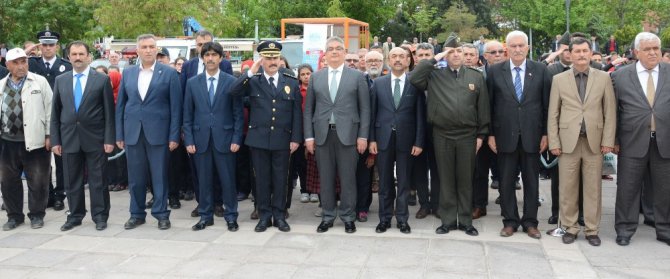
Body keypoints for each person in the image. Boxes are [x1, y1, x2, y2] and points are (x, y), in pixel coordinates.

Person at [411, 43, 490, 236]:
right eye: (451, 51)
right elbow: (414, 78)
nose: (456, 55)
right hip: (442, 133)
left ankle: (465, 220)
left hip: (467, 135)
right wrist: (436, 58)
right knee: (445, 178)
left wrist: (481, 135)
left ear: (466, 55)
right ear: (445, 55)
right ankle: (447, 220)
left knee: (465, 179)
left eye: (459, 51)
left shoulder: (476, 76)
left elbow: (483, 108)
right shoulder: (434, 75)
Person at [547, 37, 617, 246]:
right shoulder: (559, 79)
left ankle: (592, 229)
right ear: (570, 54)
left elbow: (609, 112)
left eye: (585, 50)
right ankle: (570, 227)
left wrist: (608, 141)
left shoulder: (603, 78)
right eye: (577, 51)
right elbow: (553, 113)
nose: (581, 55)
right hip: (568, 142)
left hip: (594, 143)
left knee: (593, 189)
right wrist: (554, 142)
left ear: (590, 52)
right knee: (567, 188)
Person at [230, 41, 302, 233]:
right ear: (261, 60)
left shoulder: (291, 82)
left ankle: (279, 215)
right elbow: (233, 92)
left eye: (275, 58)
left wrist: (296, 138)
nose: (272, 61)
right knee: (261, 180)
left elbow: (296, 113)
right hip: (259, 139)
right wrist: (251, 71)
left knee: (280, 180)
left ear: (280, 60)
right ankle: (264, 216)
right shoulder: (253, 80)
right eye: (268, 58)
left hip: (283, 139)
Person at [487, 30, 551, 239]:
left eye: (521, 45)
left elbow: (546, 106)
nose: (517, 49)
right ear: (507, 48)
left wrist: (545, 134)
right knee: (506, 182)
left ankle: (531, 222)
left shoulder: (541, 70)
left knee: (532, 181)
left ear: (527, 48)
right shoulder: (496, 71)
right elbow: (490, 105)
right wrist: (490, 134)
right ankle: (510, 221)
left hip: (533, 137)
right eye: (513, 46)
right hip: (504, 136)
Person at [304, 36, 371, 234]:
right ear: (325, 53)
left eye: (338, 48)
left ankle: (348, 217)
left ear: (344, 52)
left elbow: (365, 109)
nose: (334, 51)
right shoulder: (316, 77)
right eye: (330, 49)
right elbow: (308, 110)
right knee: (325, 179)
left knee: (348, 179)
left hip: (349, 136)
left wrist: (363, 136)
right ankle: (327, 216)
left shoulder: (357, 76)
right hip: (323, 136)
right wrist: (309, 137)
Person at [116, 34, 182, 230]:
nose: (147, 50)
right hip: (133, 133)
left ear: (156, 49)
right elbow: (120, 105)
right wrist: (119, 134)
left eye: (151, 46)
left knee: (159, 176)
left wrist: (174, 135)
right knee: (135, 178)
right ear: (137, 51)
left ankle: (162, 214)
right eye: (144, 47)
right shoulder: (127, 73)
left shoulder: (169, 73)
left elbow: (176, 107)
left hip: (159, 133)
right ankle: (136, 214)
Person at [50, 41, 115, 231]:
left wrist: (109, 139)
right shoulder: (61, 80)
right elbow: (55, 113)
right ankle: (75, 215)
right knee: (72, 181)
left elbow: (109, 114)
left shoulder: (101, 80)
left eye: (81, 54)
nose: (78, 58)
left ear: (88, 56)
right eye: (74, 54)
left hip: (95, 139)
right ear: (68, 56)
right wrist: (55, 140)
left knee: (98, 180)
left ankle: (100, 215)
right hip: (69, 138)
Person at [613, 32, 670, 246]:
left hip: (665, 140)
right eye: (648, 49)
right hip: (631, 141)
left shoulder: (668, 72)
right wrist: (615, 139)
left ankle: (664, 228)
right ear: (637, 52)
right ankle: (625, 229)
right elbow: (614, 111)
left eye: (656, 48)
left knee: (665, 188)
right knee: (628, 187)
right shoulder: (620, 76)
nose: (653, 52)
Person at [183, 42, 243, 231]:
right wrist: (189, 139)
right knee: (204, 181)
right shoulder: (192, 83)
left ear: (221, 58)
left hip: (225, 140)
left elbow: (238, 114)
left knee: (228, 180)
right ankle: (205, 216)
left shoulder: (231, 81)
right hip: (200, 140)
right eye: (206, 55)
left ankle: (231, 216)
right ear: (202, 58)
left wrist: (236, 138)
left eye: (214, 55)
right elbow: (187, 114)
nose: (210, 58)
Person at [369, 47, 425, 234]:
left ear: (409, 61)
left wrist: (418, 142)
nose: (398, 60)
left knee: (404, 182)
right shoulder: (378, 84)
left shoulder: (415, 83)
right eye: (394, 56)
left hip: (407, 141)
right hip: (383, 139)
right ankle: (384, 218)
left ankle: (402, 219)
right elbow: (372, 113)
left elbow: (420, 116)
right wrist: (372, 140)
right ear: (388, 60)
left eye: (402, 56)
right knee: (384, 182)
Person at [0, 48, 53, 230]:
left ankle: (37, 215)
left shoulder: (39, 82)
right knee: (8, 182)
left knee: (38, 180)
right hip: (7, 142)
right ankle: (14, 216)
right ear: (7, 65)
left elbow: (50, 110)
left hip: (35, 140)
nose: (21, 66)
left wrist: (49, 135)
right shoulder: (1, 85)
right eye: (16, 62)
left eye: (24, 61)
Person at [28, 29, 72, 212]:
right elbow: (11, 67)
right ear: (39, 46)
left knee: (61, 160)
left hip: (61, 118)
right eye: (44, 45)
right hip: (38, 117)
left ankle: (60, 195)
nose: (47, 48)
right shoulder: (31, 63)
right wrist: (27, 51)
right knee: (41, 161)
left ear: (57, 46)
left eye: (51, 45)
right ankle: (48, 193)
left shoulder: (66, 65)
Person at [412, 43, 441, 219]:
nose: (424, 58)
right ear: (415, 58)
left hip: (437, 130)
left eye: (427, 55)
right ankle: (424, 204)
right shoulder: (411, 77)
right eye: (421, 55)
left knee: (438, 169)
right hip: (416, 131)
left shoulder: (441, 76)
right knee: (419, 169)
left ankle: (437, 204)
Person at [294, 64, 317, 203]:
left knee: (314, 162)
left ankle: (314, 190)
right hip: (301, 130)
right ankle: (304, 190)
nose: (306, 77)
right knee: (301, 162)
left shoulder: (317, 89)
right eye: (302, 74)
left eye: (308, 73)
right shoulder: (297, 91)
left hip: (315, 130)